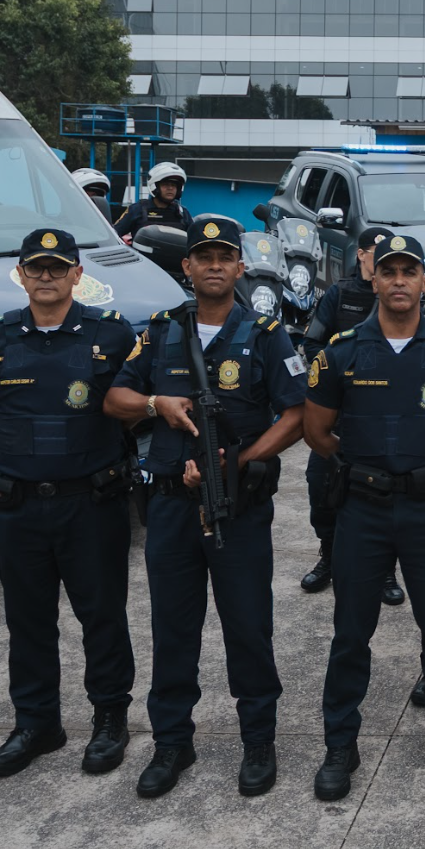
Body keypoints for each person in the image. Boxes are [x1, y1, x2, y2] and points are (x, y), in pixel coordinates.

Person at [105, 215, 306, 798]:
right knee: (173, 630)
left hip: (238, 508)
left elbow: (295, 414)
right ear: (186, 267)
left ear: (240, 267)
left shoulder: (266, 333)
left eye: (225, 256)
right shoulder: (165, 330)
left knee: (248, 626)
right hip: (169, 506)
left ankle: (258, 739)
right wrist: (154, 405)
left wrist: (236, 464)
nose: (215, 265)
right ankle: (172, 742)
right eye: (203, 256)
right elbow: (115, 398)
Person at [302, 233, 425, 801]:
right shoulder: (341, 351)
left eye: (411, 271)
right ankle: (341, 743)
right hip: (362, 509)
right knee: (350, 634)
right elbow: (316, 433)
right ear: (376, 281)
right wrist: (368, 466)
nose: (400, 281)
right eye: (390, 272)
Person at [0, 229, 139, 779]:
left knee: (101, 616)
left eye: (57, 268)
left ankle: (110, 719)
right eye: (35, 267)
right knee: (28, 621)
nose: (46, 276)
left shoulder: (110, 334)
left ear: (77, 275)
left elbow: (126, 405)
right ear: (21, 273)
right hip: (17, 507)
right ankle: (36, 723)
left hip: (90, 504)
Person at [296, 226, 402, 604]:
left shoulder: (401, 298)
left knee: (384, 492)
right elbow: (312, 344)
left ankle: (386, 569)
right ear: (361, 254)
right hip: (339, 410)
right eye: (377, 252)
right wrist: (341, 379)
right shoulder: (340, 294)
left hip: (384, 416)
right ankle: (329, 555)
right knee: (322, 487)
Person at [114, 162, 192, 238]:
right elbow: (114, 234)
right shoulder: (137, 209)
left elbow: (195, 241)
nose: (170, 188)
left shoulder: (182, 213)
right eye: (165, 185)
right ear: (155, 187)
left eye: (174, 185)